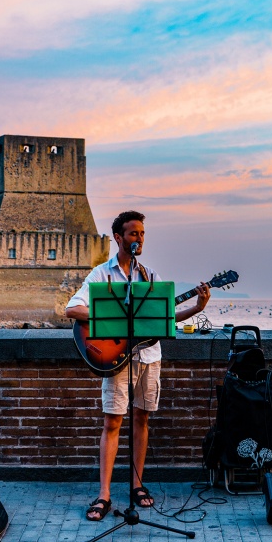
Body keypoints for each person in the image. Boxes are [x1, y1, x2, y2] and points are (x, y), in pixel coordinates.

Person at [66, 210, 211, 521]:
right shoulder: (101, 275)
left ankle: (137, 486)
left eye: (143, 234)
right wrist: (110, 320)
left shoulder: (150, 276)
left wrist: (197, 307)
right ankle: (104, 494)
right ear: (118, 238)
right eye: (133, 234)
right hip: (116, 358)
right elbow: (72, 309)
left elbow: (164, 320)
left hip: (148, 357)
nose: (139, 239)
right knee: (112, 422)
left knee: (141, 420)